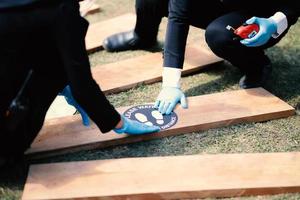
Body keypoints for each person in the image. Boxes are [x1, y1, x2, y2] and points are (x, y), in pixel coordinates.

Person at [0, 0, 159, 168]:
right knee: (63, 59)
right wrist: (118, 123)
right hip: (4, 147)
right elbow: (82, 85)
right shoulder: (62, 9)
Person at [154, 0, 299, 115]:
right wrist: (170, 84)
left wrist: (275, 22)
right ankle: (143, 35)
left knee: (219, 35)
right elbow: (178, 16)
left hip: (262, 13)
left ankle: (257, 65)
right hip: (221, 5)